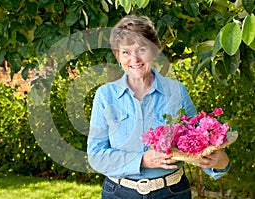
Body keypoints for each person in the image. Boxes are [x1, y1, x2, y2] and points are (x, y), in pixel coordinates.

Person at [87, 15, 230, 199]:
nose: (135, 59)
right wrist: (142, 160)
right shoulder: (105, 96)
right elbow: (96, 155)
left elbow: (198, 144)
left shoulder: (177, 92)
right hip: (118, 193)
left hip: (172, 192)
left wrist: (220, 162)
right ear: (118, 57)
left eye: (141, 49)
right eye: (126, 52)